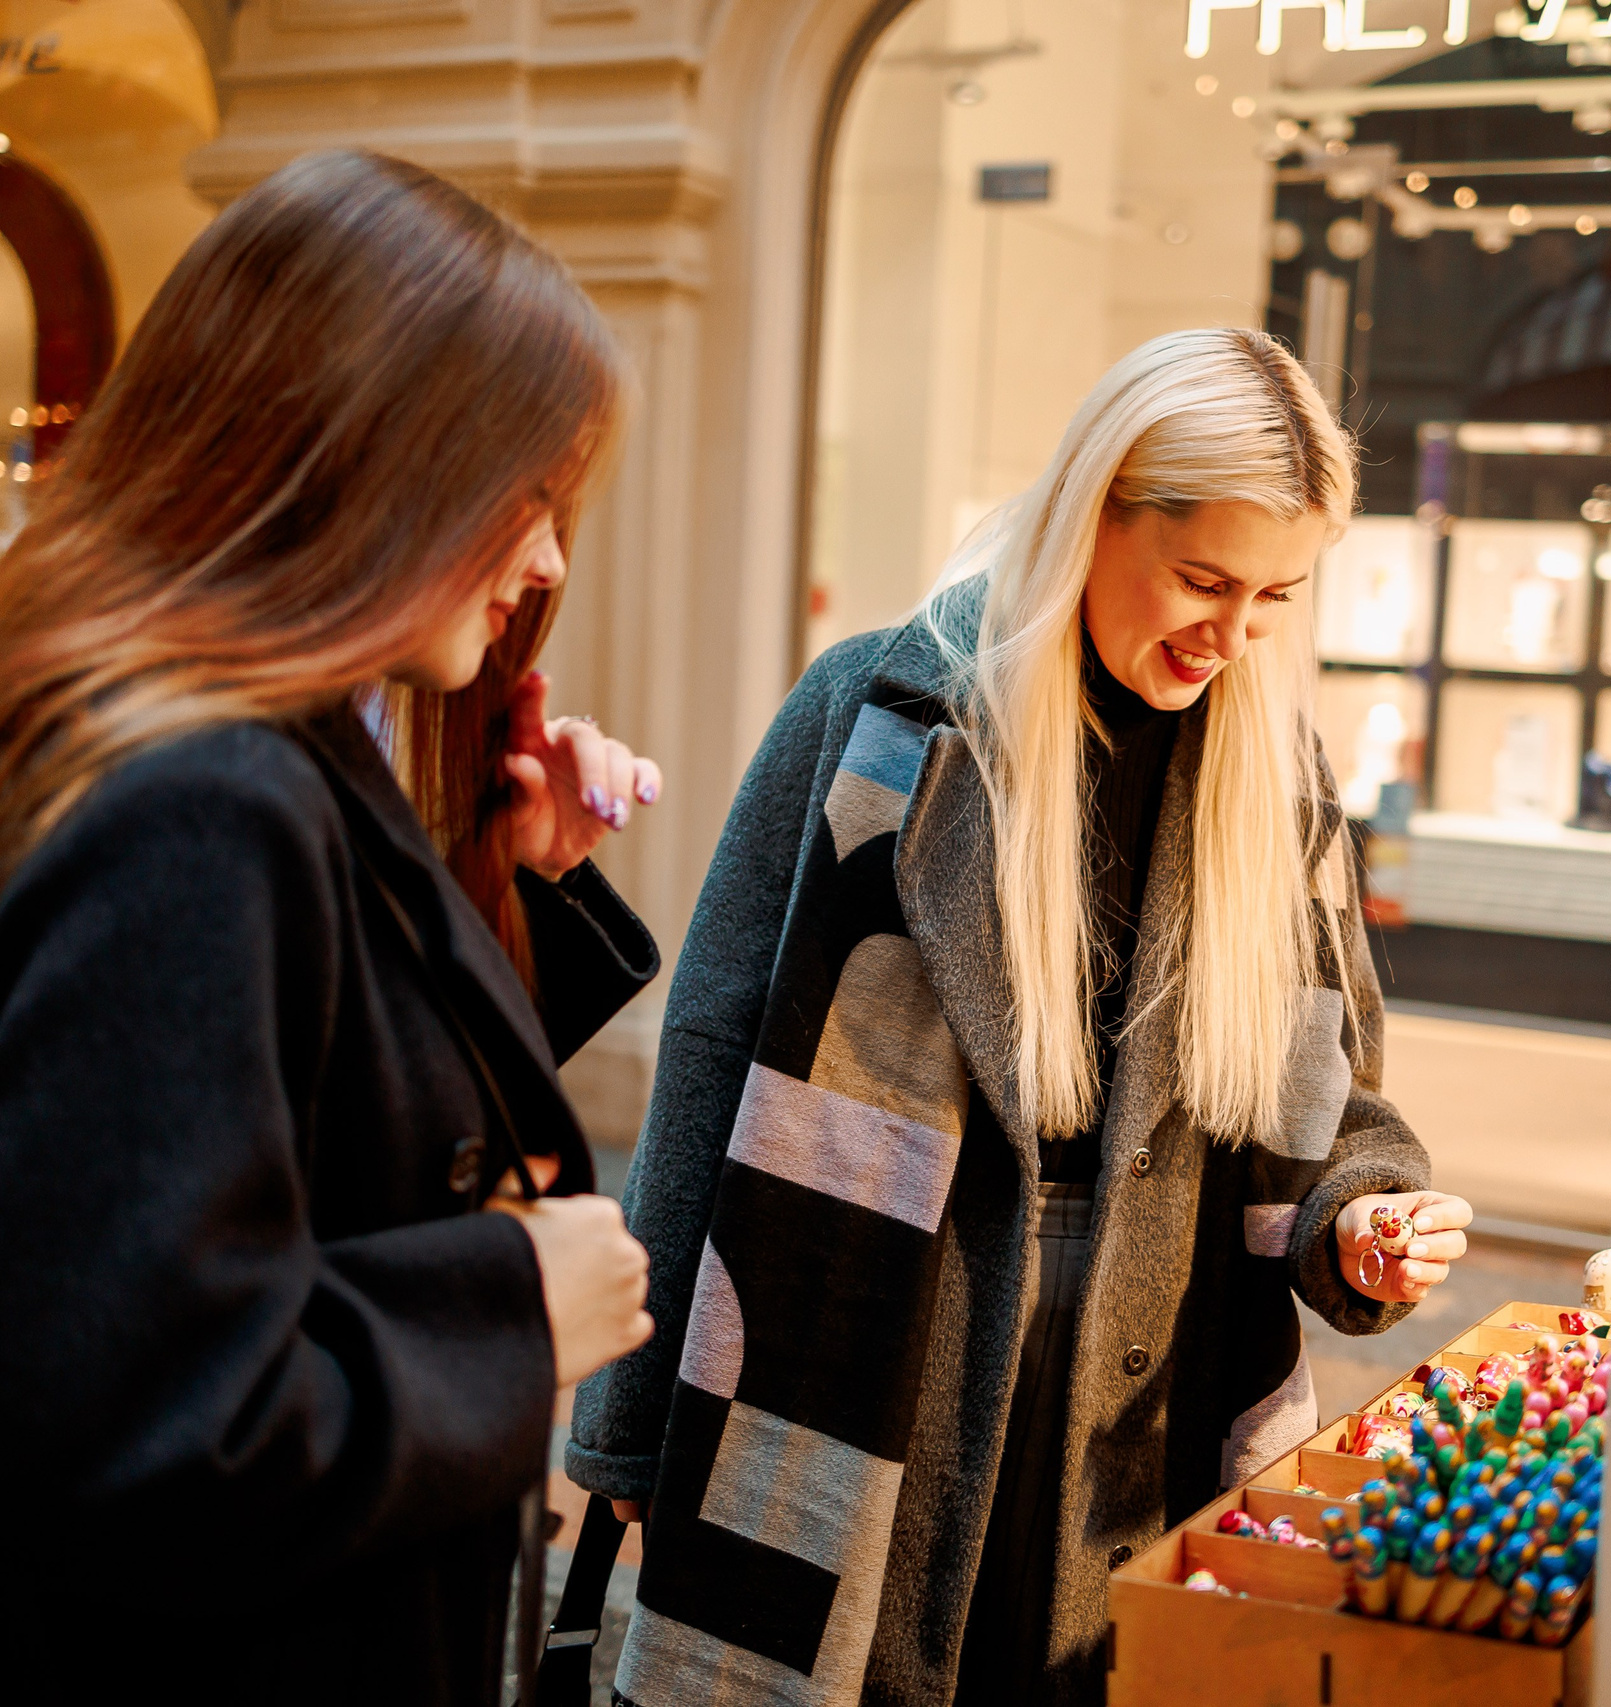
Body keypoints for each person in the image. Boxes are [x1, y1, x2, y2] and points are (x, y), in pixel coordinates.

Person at [0, 150, 661, 1706]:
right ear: (369, 452)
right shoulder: (203, 796)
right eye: (531, 493)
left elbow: (301, 1132)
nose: (548, 560)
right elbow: (106, 1413)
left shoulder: (199, 744)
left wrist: (500, 885)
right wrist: (507, 1319)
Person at [567, 327, 1474, 1707]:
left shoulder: (1274, 779)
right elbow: (712, 1048)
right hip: (855, 1370)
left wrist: (1366, 1215)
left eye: (1279, 597)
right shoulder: (877, 714)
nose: (1231, 638)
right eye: (1203, 579)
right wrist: (631, 1431)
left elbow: (1332, 1097)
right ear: (1095, 511)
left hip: (1147, 1402)